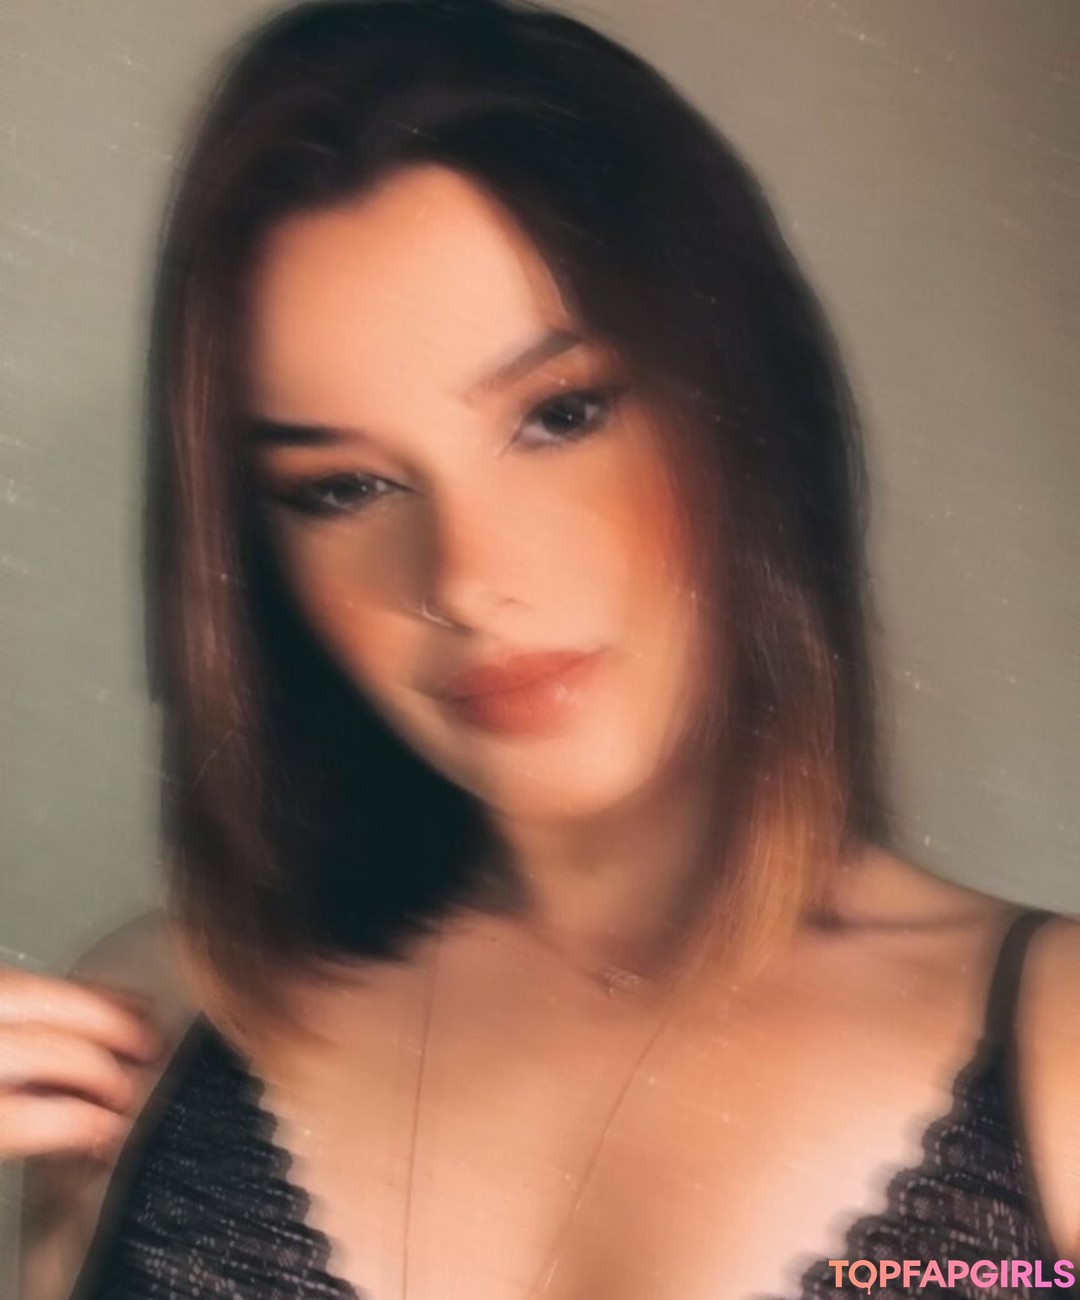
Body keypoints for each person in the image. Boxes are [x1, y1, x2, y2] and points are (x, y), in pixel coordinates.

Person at [5, 1, 1077, 1296]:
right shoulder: (153, 1029)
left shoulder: (1060, 1064)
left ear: (746, 410)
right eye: (342, 488)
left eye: (560, 415)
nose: (465, 581)